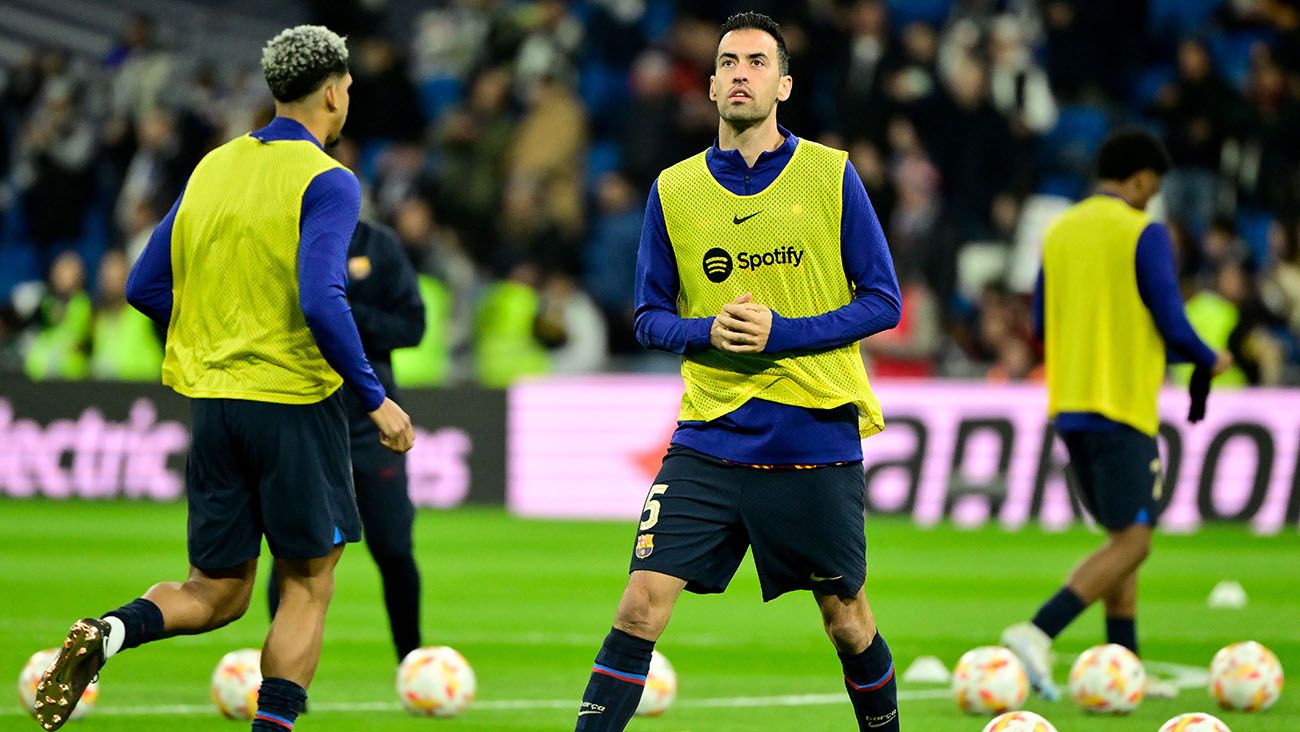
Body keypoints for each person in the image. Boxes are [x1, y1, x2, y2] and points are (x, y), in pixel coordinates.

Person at [33, 25, 414, 732]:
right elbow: (321, 299)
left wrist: (216, 333)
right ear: (332, 91)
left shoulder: (213, 166)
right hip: (294, 403)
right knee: (307, 582)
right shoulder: (329, 180)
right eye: (350, 88)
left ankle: (108, 631)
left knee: (216, 591)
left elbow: (147, 284)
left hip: (213, 404)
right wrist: (375, 398)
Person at [572, 12, 902, 732]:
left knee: (847, 621)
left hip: (812, 433)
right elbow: (648, 316)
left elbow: (884, 301)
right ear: (713, 82)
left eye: (757, 61)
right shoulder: (675, 190)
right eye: (727, 62)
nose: (740, 72)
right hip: (710, 437)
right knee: (639, 605)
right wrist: (707, 331)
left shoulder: (831, 175)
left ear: (784, 83)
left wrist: (784, 335)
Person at [1003, 128, 1232, 702]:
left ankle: (1123, 666)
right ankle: (1038, 630)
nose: (1151, 199)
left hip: (1071, 406)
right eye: (1152, 188)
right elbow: (1172, 320)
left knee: (1118, 541)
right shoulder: (1143, 231)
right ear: (1139, 180)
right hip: (1121, 403)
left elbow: (1039, 324)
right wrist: (1210, 357)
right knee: (1136, 542)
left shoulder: (1059, 231)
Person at [267, 219, 426, 663]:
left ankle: (411, 661)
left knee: (394, 549)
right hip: (306, 413)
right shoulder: (285, 239)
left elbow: (412, 326)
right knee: (295, 553)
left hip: (370, 421)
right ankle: (285, 676)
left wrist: (342, 316)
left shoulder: (379, 245)